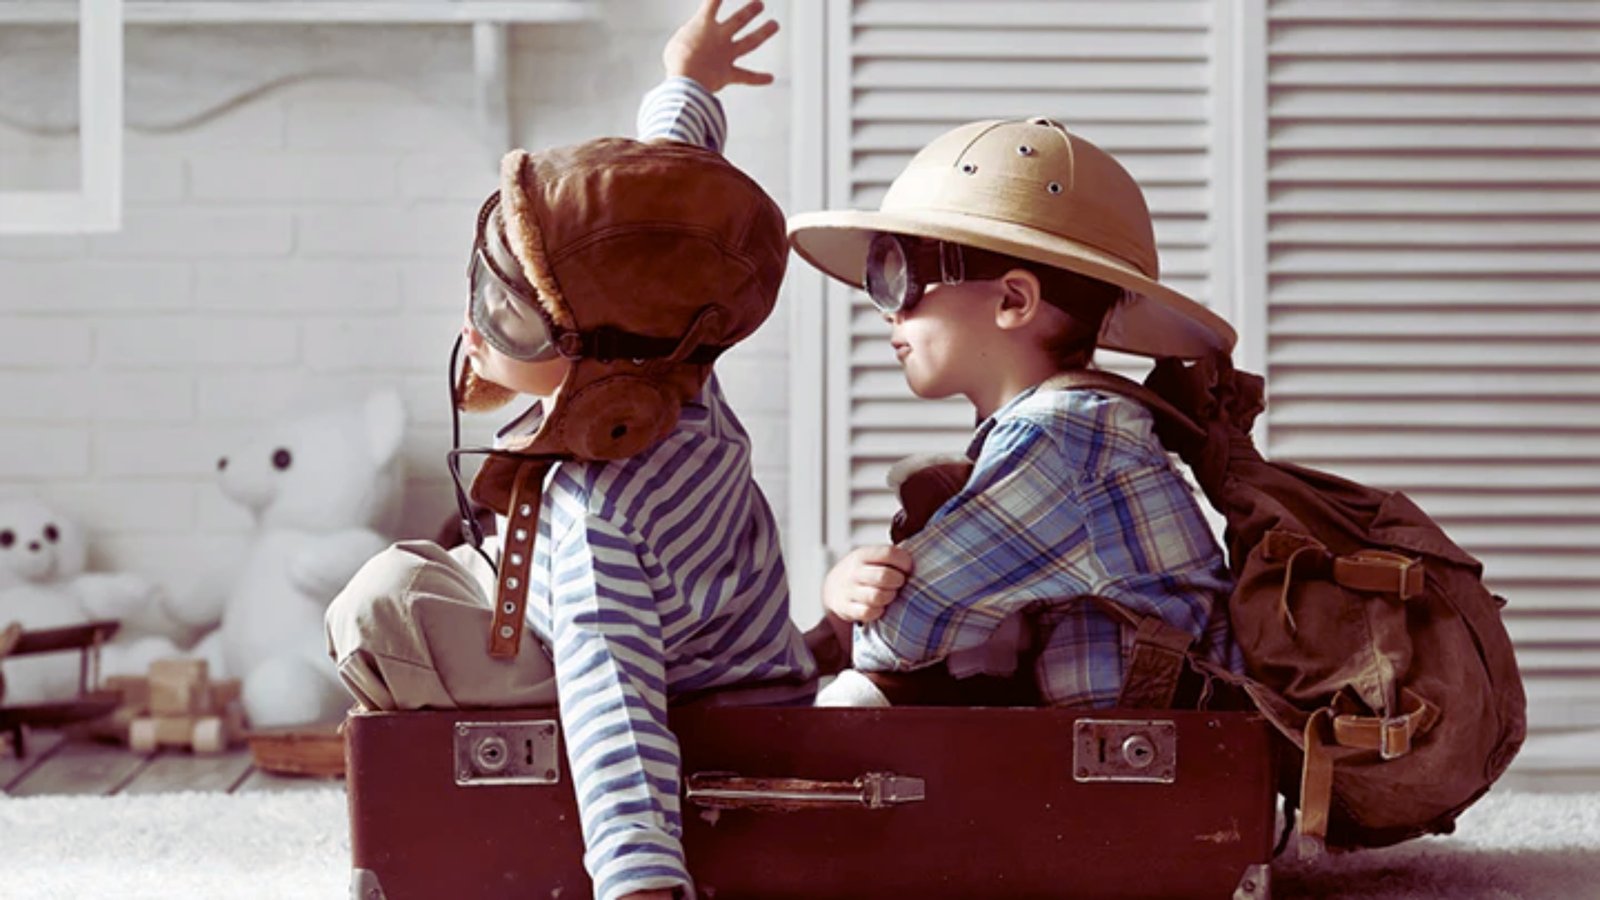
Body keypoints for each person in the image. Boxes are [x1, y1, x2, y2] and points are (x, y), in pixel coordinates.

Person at [325, 4, 814, 900]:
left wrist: (638, 877)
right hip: (736, 655)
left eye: (508, 312)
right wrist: (689, 82)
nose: (474, 325)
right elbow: (663, 210)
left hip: (688, 693)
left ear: (604, 363)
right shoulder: (681, 368)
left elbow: (610, 699)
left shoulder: (599, 513)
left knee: (382, 603)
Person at [787, 116, 1243, 709]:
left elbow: (900, 635)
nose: (888, 313)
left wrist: (840, 591)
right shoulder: (1078, 423)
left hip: (1165, 780)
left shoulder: (1060, 436)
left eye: (901, 278)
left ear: (1012, 300)